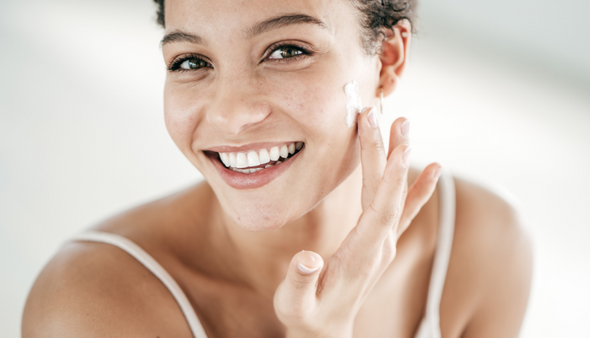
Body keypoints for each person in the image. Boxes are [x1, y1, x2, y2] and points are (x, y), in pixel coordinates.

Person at [22, 0, 532, 337]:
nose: (229, 113)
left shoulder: (479, 245)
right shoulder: (90, 307)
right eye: (190, 61)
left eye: (287, 50)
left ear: (388, 60)